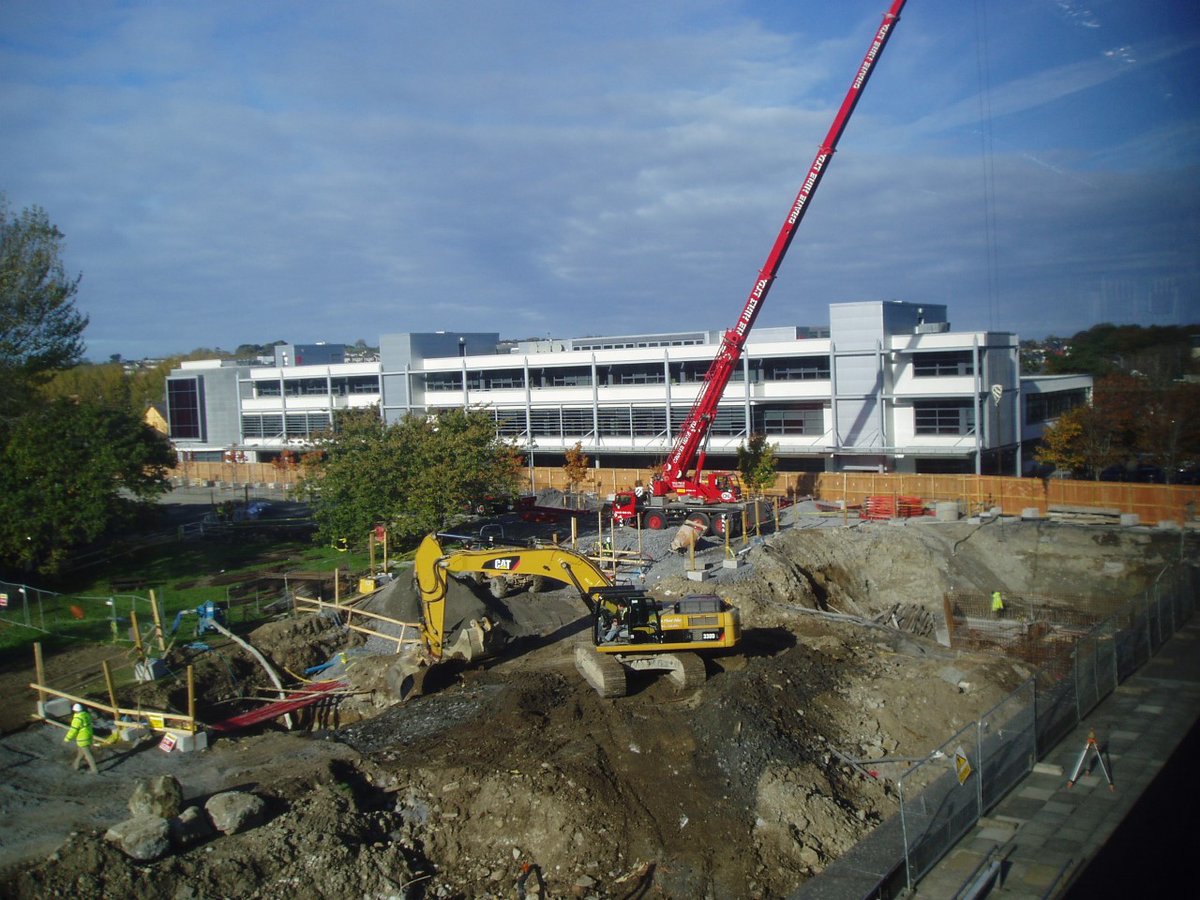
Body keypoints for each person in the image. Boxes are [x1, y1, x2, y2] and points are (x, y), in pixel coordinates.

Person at [64, 703, 99, 774]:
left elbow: (73, 730)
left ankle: (94, 770)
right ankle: (75, 765)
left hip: (82, 738)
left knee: (87, 754)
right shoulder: (87, 715)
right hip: (88, 736)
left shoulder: (77, 719)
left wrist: (67, 739)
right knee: (81, 752)